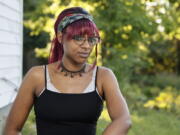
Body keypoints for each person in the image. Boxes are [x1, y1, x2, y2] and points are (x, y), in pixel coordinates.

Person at [3, 7, 131, 135]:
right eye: (78, 38)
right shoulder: (37, 76)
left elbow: (123, 119)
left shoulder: (103, 77)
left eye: (92, 39)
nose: (87, 46)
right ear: (60, 37)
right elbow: (11, 130)